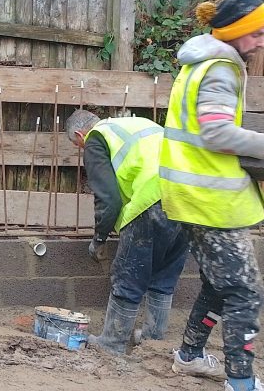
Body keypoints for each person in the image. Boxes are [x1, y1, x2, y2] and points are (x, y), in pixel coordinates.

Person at [159, 0, 264, 391]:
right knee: (246, 292)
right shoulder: (221, 70)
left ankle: (190, 356)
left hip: (193, 193)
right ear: (237, 32)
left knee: (217, 283)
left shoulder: (198, 63)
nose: (263, 41)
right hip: (212, 200)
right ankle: (240, 383)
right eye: (258, 33)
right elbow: (218, 134)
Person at [66, 109, 188, 355]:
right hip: (190, 195)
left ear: (80, 135)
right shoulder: (137, 124)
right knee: (163, 275)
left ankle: (112, 342)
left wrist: (99, 238)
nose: (82, 149)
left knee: (128, 276)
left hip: (153, 197)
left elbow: (109, 199)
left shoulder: (96, 138)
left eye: (78, 145)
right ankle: (153, 340)